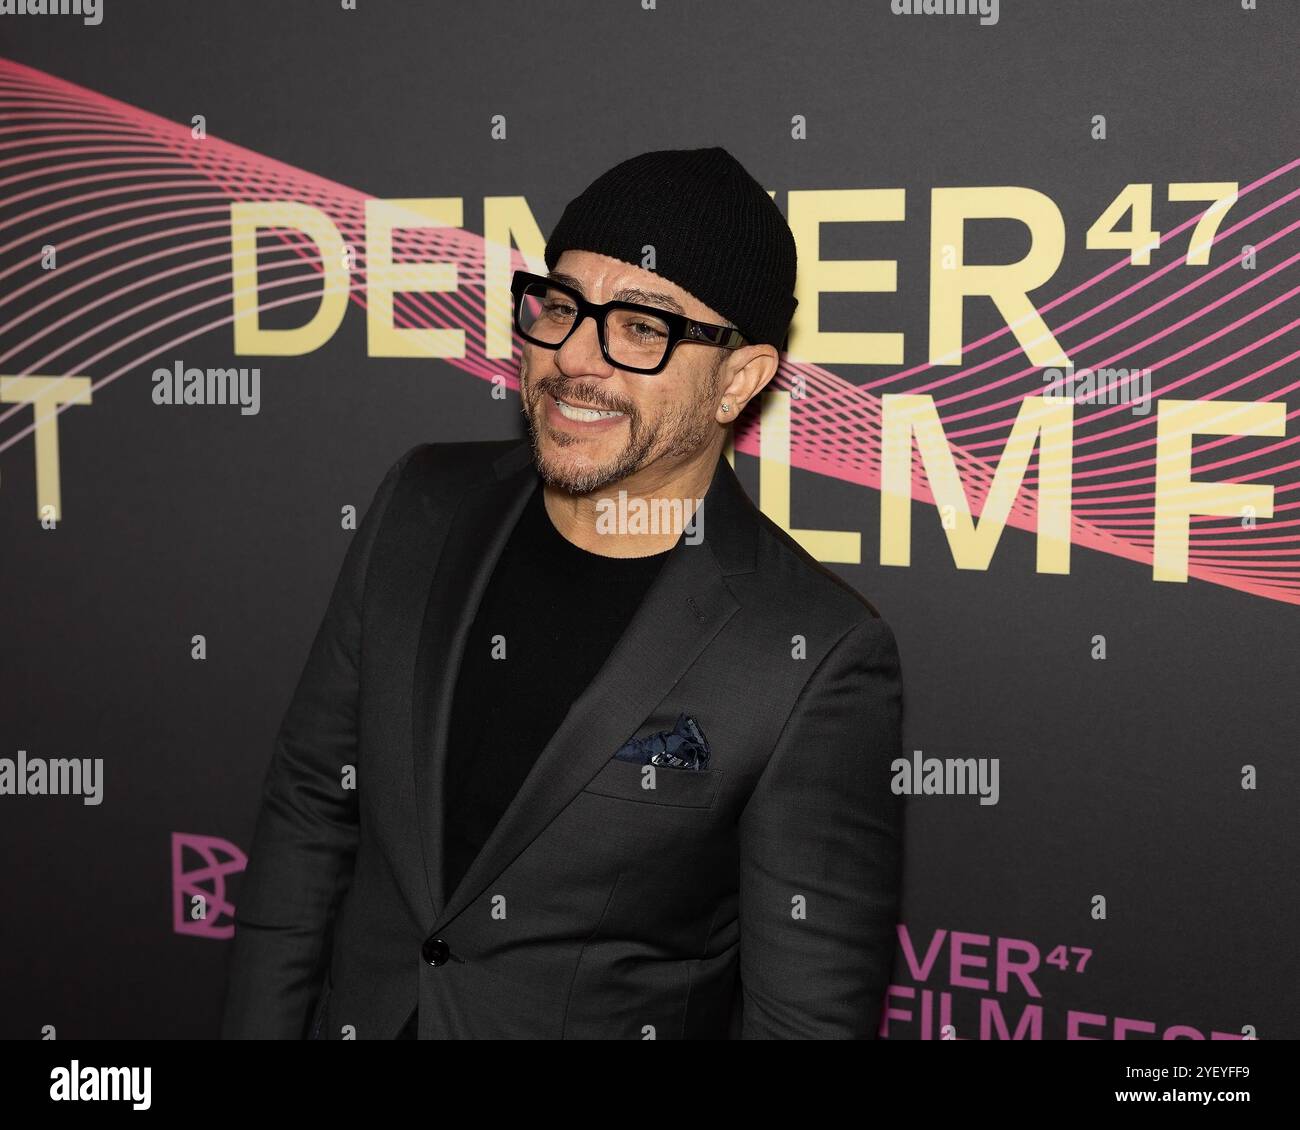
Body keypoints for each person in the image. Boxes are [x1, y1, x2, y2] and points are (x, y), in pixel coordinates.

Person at [220, 145, 905, 1040]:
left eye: (642, 329)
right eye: (562, 305)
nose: (574, 357)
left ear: (739, 379)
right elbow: (310, 810)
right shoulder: (420, 504)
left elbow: (807, 1021)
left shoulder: (811, 656)